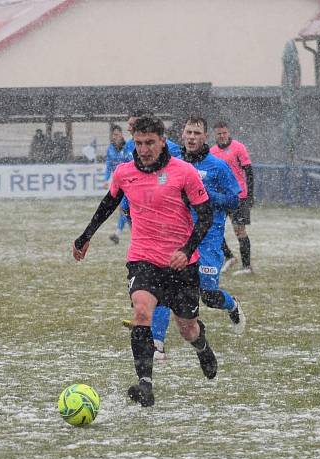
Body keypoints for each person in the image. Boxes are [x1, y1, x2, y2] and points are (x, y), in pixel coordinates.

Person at [72, 115, 218, 407]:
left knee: (187, 328)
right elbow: (108, 203)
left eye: (150, 142)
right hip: (143, 258)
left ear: (163, 141)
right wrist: (85, 235)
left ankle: (202, 347)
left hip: (180, 263)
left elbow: (205, 216)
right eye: (138, 143)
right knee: (141, 312)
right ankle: (145, 384)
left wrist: (187, 250)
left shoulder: (184, 172)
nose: (144, 149)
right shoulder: (125, 173)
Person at [150, 115, 246, 360]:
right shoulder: (173, 161)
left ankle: (231, 305)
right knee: (164, 287)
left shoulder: (218, 167)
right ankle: (157, 344)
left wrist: (207, 195)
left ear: (205, 137)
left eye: (197, 133)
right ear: (182, 135)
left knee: (209, 296)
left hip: (208, 239)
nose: (191, 137)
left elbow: (235, 200)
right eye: (188, 132)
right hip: (178, 238)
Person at [111, 110, 183, 245]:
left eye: (132, 124)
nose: (128, 128)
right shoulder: (128, 146)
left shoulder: (167, 146)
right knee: (128, 213)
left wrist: (163, 177)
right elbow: (125, 167)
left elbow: (182, 162)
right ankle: (139, 242)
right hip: (133, 194)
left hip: (158, 195)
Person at [210, 121, 255, 275]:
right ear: (214, 135)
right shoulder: (212, 152)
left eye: (224, 133)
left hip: (239, 196)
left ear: (228, 133)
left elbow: (249, 172)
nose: (222, 136)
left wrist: (250, 196)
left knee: (239, 230)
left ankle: (247, 267)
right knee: (213, 228)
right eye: (219, 134)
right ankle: (229, 257)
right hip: (221, 197)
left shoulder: (238, 147)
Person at [105, 125, 129, 244]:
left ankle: (119, 234)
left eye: (117, 134)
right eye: (114, 135)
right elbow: (109, 165)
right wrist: (106, 179)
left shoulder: (127, 147)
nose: (116, 136)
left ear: (121, 134)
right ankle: (118, 234)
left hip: (129, 183)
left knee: (125, 209)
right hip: (119, 184)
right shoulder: (110, 149)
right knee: (124, 209)